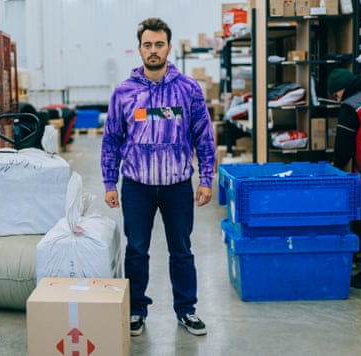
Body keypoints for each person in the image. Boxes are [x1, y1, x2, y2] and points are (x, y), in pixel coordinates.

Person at [100, 17, 216, 336]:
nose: (153, 51)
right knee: (136, 248)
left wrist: (206, 178)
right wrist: (110, 182)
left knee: (182, 248)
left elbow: (204, 136)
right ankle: (136, 310)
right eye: (147, 45)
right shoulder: (124, 92)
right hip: (137, 185)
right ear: (139, 49)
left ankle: (186, 309)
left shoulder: (188, 89)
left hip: (177, 186)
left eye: (159, 44)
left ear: (168, 47)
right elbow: (111, 138)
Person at [327, 68, 361, 291]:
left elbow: (343, 147)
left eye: (336, 96)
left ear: (341, 91)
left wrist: (334, 169)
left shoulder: (351, 106)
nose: (337, 100)